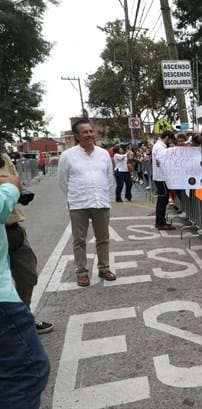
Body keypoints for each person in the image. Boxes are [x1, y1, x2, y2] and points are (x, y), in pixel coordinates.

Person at [0, 172, 50, 408]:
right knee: (28, 373)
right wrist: (10, 188)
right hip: (3, 304)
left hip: (13, 232)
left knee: (27, 275)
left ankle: (26, 317)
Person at [58, 118, 116, 287]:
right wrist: (73, 196)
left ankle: (104, 268)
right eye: (85, 132)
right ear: (77, 136)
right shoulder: (67, 156)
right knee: (79, 240)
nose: (89, 134)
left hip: (101, 202)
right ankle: (82, 272)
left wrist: (103, 192)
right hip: (78, 203)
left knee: (103, 238)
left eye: (91, 131)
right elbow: (62, 180)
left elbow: (109, 177)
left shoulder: (103, 153)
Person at [0, 152, 53, 334]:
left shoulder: (4, 158)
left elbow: (15, 182)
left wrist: (20, 191)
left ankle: (24, 317)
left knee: (28, 275)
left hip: (12, 228)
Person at [152, 130, 175, 230]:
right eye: (169, 140)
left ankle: (161, 221)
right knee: (162, 200)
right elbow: (162, 159)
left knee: (163, 200)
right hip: (161, 177)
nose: (169, 142)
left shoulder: (159, 146)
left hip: (161, 177)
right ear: (166, 137)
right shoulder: (159, 147)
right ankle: (160, 223)